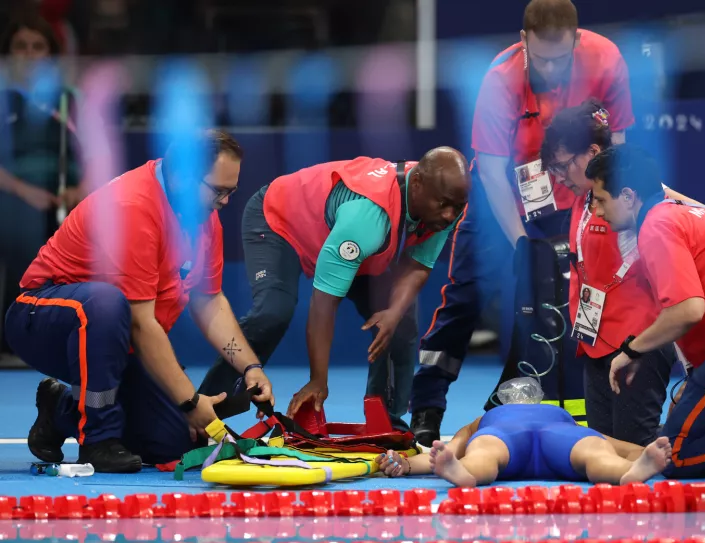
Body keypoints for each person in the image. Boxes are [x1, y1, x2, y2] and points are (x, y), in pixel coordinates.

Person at [411, 0, 635, 446]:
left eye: (561, 58)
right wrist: (520, 244)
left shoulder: (607, 58)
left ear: (577, 39)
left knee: (581, 301)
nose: (552, 70)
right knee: (464, 298)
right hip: (503, 202)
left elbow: (616, 151)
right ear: (523, 40)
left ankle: (582, 411)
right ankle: (427, 408)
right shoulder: (499, 78)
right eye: (542, 59)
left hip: (575, 195)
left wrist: (596, 213)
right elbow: (492, 171)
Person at [3, 129, 276, 473]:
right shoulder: (132, 206)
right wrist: (190, 400)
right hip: (42, 317)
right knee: (105, 304)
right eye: (218, 191)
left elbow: (209, 301)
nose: (224, 202)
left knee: (176, 441)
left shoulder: (203, 217)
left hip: (116, 338)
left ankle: (61, 410)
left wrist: (250, 367)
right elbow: (140, 323)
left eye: (231, 191)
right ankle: (98, 440)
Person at [196, 149, 471, 429]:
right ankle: (205, 413)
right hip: (278, 222)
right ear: (417, 185)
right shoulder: (368, 219)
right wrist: (318, 380)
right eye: (444, 205)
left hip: (340, 237)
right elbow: (324, 303)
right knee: (273, 313)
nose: (450, 215)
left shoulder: (441, 198)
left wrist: (393, 313)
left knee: (400, 322)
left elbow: (417, 266)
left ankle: (386, 420)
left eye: (457, 206)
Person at [584, 144, 705, 479]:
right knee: (676, 435)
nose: (597, 212)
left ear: (628, 197)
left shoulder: (657, 226)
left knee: (672, 455)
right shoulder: (674, 212)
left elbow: (688, 310)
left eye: (600, 200)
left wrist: (630, 350)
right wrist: (696, 377)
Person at [537, 100, 691, 446]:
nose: (559, 180)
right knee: (602, 454)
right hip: (595, 344)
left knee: (635, 455)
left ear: (592, 152)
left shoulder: (629, 195)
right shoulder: (584, 197)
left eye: (563, 167)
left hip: (639, 344)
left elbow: (687, 212)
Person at [0, 14, 84, 368]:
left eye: (39, 47)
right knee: (23, 222)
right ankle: (14, 338)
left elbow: (97, 155)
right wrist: (24, 192)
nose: (30, 54)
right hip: (12, 196)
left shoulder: (69, 99)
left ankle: (73, 338)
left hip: (65, 195)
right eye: (21, 47)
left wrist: (81, 190)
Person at [376, 403, 671, 487]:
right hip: (562, 437)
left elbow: (445, 453)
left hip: (504, 434)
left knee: (483, 454)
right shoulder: (564, 418)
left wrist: (404, 464)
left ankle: (465, 475)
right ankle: (625, 473)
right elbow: (624, 445)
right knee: (595, 453)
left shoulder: (484, 419)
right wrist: (637, 457)